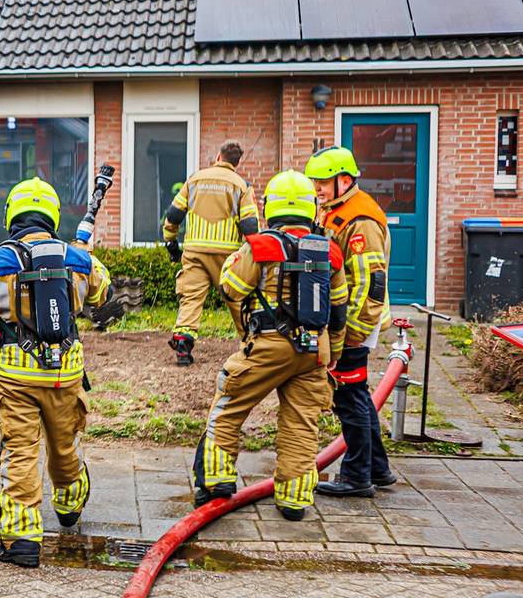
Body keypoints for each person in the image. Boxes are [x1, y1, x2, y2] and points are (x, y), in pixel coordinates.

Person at [0, 176, 112, 568]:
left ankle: (21, 540)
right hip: (65, 376)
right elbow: (102, 295)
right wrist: (85, 257)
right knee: (65, 444)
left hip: (14, 380)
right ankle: (69, 505)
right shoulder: (77, 260)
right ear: (52, 215)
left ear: (12, 216)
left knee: (20, 454)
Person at [193, 171, 348, 521]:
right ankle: (294, 500)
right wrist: (333, 354)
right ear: (311, 207)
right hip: (314, 351)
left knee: (229, 404)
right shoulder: (330, 252)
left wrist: (238, 261)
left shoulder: (261, 246)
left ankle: (216, 482)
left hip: (268, 345)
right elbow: (339, 311)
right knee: (301, 425)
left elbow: (231, 288)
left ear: (269, 208)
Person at [304, 146, 397, 498]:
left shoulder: (360, 221)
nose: (317, 187)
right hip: (349, 321)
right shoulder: (337, 209)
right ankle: (377, 468)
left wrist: (352, 333)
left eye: (323, 181)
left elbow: (370, 284)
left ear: (344, 180)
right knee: (356, 393)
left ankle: (357, 477)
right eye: (315, 181)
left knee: (347, 396)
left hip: (357, 322)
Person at [163, 141, 260, 365]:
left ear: (218, 156)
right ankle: (252, 343)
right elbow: (250, 226)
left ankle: (183, 343)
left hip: (195, 251)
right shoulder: (242, 186)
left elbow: (174, 214)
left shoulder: (194, 179)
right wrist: (254, 255)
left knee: (191, 297)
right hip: (227, 256)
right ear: (237, 163)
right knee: (237, 297)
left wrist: (171, 241)